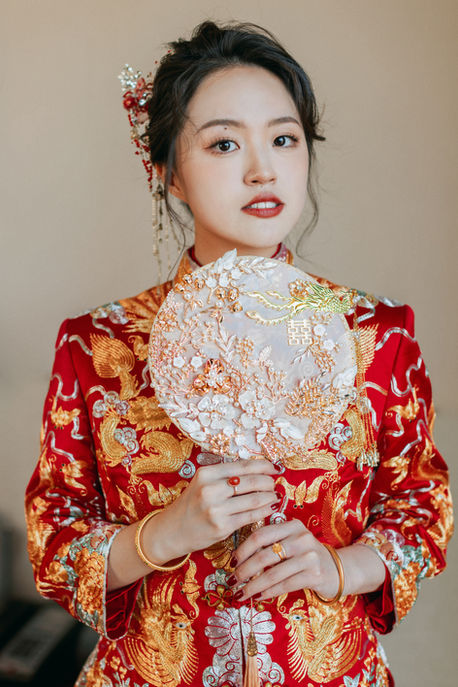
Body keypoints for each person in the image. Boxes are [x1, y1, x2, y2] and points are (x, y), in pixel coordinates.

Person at [25, 20, 453, 687]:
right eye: (225, 143)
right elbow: (52, 543)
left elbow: (423, 507)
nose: (263, 169)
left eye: (284, 138)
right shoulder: (98, 344)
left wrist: (338, 567)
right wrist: (163, 533)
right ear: (168, 172)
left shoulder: (378, 335)